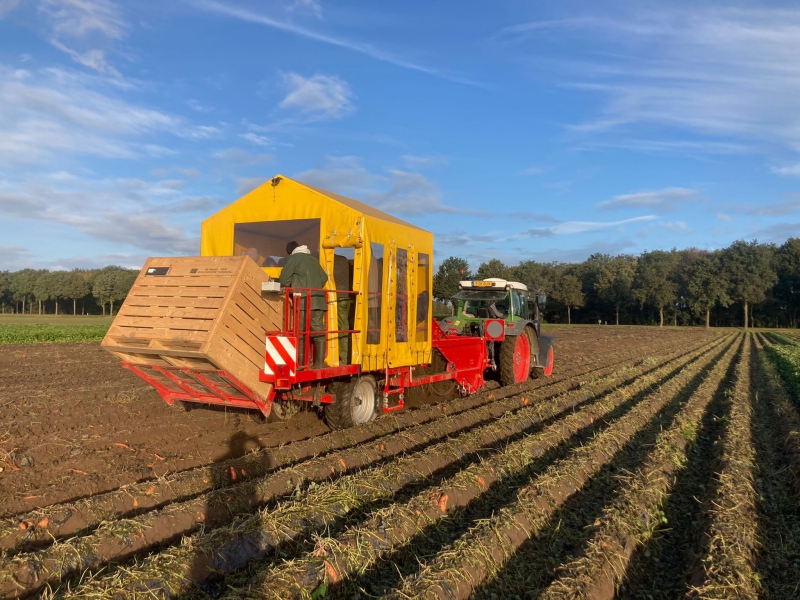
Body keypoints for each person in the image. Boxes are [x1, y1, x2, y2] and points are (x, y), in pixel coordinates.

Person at [279, 241, 329, 368]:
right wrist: (314, 287)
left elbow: (284, 280)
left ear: (290, 252)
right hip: (318, 300)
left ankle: (301, 364)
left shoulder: (293, 258)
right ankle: (319, 363)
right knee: (318, 331)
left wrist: (294, 286)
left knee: (300, 332)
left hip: (302, 301)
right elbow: (324, 277)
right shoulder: (312, 259)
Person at [333, 254, 354, 365]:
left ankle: (345, 358)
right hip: (350, 296)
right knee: (349, 327)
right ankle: (350, 355)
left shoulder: (330, 260)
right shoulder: (344, 259)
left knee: (342, 328)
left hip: (339, 297)